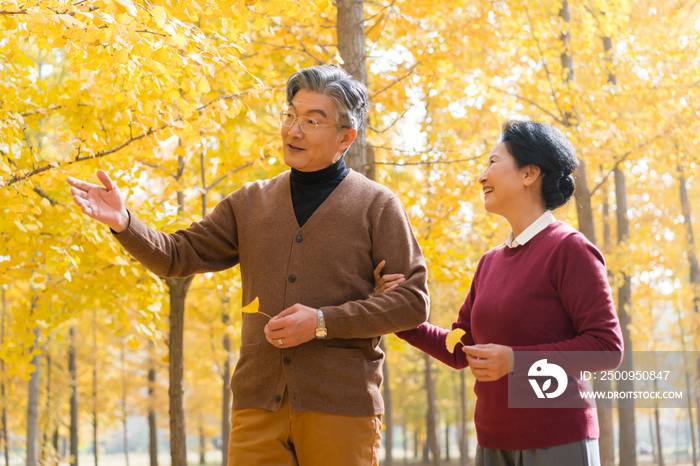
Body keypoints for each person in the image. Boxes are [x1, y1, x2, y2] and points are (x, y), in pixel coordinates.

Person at [67, 64, 430, 466]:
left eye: (312, 121)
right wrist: (124, 222)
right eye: (290, 115)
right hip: (257, 404)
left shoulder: (378, 206)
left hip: (341, 404)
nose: (293, 130)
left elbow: (412, 302)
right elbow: (177, 255)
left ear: (346, 137)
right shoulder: (250, 202)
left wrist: (322, 321)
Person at [375, 121, 623, 466]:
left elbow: (606, 348)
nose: (482, 175)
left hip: (559, 440)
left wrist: (514, 361)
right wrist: (397, 315)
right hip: (493, 442)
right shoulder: (490, 262)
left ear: (529, 173)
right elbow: (460, 348)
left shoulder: (570, 249)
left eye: (493, 162)